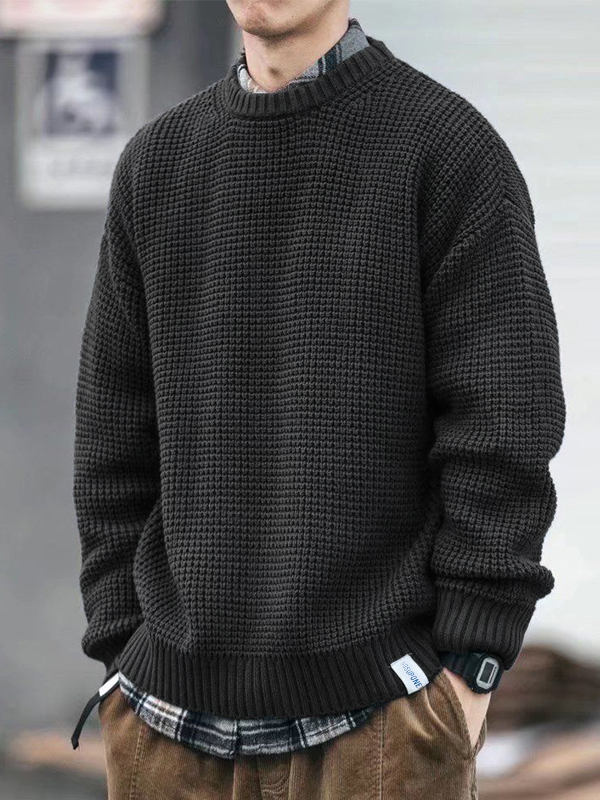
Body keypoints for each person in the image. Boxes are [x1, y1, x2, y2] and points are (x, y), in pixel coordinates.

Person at [70, 1, 566, 798]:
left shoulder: (445, 147)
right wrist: (121, 653)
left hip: (380, 728)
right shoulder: (157, 163)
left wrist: (469, 668)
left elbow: (505, 423)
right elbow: (112, 437)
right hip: (165, 730)